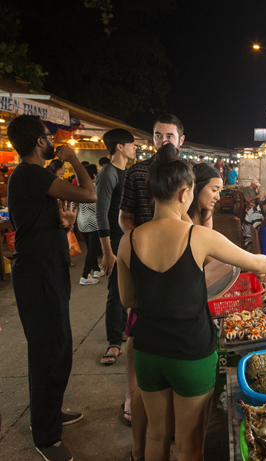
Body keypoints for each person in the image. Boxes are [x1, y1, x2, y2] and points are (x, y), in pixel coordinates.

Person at [116, 142, 266, 461]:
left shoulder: (128, 240)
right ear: (184, 193)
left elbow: (128, 299)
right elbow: (255, 262)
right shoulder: (198, 236)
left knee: (157, 434)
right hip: (191, 352)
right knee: (189, 444)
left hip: (148, 351)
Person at [7, 114, 97, 461]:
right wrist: (74, 157)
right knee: (49, 352)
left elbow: (46, 211)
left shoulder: (33, 176)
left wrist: (63, 224)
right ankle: (46, 437)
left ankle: (49, 412)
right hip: (38, 274)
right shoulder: (30, 174)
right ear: (36, 142)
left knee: (57, 348)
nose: (51, 141)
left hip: (49, 269)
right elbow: (89, 193)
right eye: (46, 136)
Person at [118, 114, 185, 459]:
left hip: (178, 262)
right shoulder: (137, 171)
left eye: (169, 135)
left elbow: (191, 218)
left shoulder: (184, 171)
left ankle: (165, 409)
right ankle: (135, 394)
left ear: (181, 139)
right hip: (143, 262)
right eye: (158, 135)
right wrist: (134, 245)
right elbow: (124, 215)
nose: (164, 141)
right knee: (136, 329)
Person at [97, 129, 136, 366]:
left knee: (126, 290)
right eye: (131, 145)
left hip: (127, 240)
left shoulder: (126, 172)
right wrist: (107, 251)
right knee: (115, 291)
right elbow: (100, 213)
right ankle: (113, 342)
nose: (135, 148)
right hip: (113, 240)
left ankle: (123, 330)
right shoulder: (107, 173)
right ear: (120, 147)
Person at [76, 164, 103, 285]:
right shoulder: (94, 187)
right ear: (93, 175)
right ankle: (85, 275)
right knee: (93, 250)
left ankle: (96, 270)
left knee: (90, 248)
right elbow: (95, 205)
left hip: (81, 221)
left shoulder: (79, 187)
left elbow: (73, 204)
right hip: (93, 222)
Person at [188, 163, 223, 228]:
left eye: (219, 192)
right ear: (196, 187)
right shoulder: (184, 219)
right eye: (214, 190)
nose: (218, 197)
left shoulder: (203, 213)